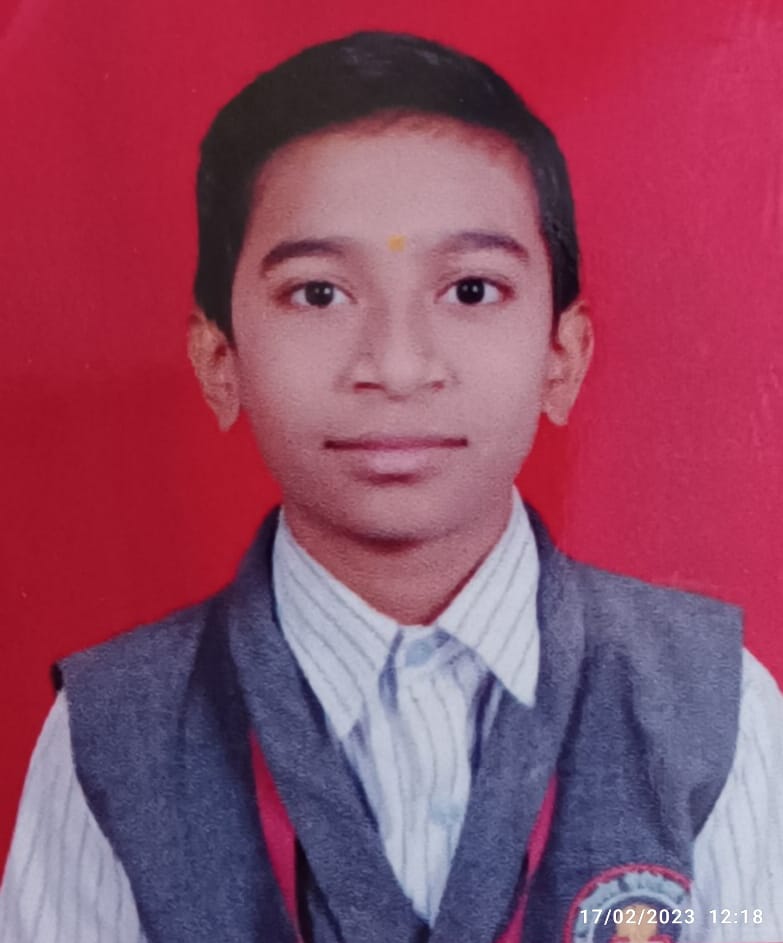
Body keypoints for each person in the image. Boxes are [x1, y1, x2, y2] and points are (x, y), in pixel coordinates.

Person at [1, 31, 781, 943]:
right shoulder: (109, 735)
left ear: (561, 358)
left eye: (471, 290)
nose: (398, 366)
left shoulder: (712, 706)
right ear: (219, 361)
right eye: (319, 294)